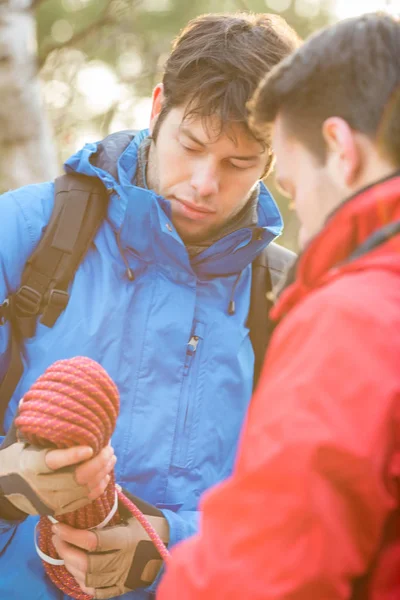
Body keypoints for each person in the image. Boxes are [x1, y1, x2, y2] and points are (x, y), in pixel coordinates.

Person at [0, 12, 299, 600]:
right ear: (158, 106)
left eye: (239, 163)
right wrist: (8, 485)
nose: (204, 183)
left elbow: (299, 509)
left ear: (273, 157)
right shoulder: (23, 232)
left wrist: (173, 545)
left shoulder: (288, 296)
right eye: (190, 146)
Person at [157, 12, 400, 600]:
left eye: (290, 189)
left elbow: (260, 577)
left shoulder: (353, 317)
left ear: (341, 150)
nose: (307, 226)